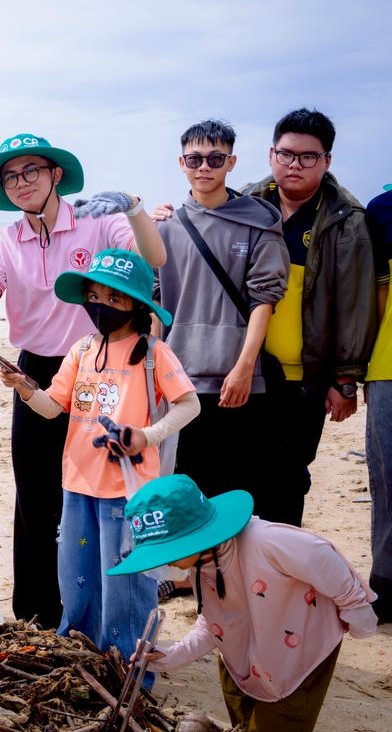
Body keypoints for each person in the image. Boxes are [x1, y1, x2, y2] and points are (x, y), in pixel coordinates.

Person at [0, 133, 166, 627]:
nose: (22, 183)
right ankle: (37, 613)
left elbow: (154, 260)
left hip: (99, 365)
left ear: (55, 174)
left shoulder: (97, 220)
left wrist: (133, 207)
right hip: (34, 370)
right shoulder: (6, 239)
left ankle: (97, 610)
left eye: (32, 171)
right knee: (35, 493)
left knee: (101, 492)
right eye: (10, 177)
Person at [0, 248, 198, 666]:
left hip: (129, 491)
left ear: (136, 306)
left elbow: (189, 404)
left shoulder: (153, 353)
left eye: (114, 298)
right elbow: (53, 407)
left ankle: (129, 666)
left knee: (127, 583)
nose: (101, 306)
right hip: (77, 485)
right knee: (78, 578)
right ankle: (82, 657)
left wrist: (146, 437)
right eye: (94, 296)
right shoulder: (82, 350)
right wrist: (23, 387)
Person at [112, 475, 378, 732]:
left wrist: (356, 609)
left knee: (282, 721)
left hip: (299, 652)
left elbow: (320, 556)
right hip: (242, 653)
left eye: (165, 552)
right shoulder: (199, 563)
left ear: (191, 538)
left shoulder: (264, 541)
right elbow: (212, 626)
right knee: (241, 719)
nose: (165, 561)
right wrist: (170, 656)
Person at [245, 109, 376, 526]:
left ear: (326, 161)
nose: (295, 165)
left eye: (307, 157)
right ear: (271, 154)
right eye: (286, 154)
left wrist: (345, 379)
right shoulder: (244, 206)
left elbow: (355, 303)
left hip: (305, 379)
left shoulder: (346, 219)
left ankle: (282, 562)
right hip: (244, 371)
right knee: (239, 476)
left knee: (287, 479)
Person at [151, 120, 288, 503]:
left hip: (236, 381)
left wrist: (245, 368)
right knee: (185, 493)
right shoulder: (165, 227)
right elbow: (156, 303)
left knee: (235, 493)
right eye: (195, 159)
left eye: (215, 158)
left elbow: (264, 300)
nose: (204, 167)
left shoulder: (258, 223)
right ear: (182, 163)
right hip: (179, 379)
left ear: (231, 162)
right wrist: (152, 371)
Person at [364, 183, 392, 622]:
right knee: (387, 484)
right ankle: (386, 586)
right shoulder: (382, 210)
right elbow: (375, 296)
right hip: (388, 364)